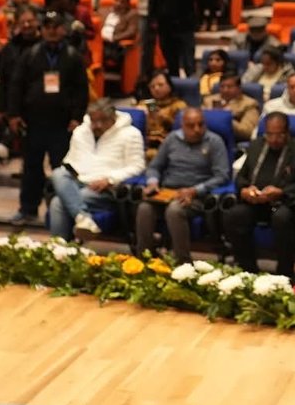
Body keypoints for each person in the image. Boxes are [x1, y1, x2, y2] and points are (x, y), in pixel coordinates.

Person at [5, 11, 90, 226]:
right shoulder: (30, 54)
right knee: (31, 168)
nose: (52, 31)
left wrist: (77, 117)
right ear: (41, 30)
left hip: (62, 124)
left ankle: (60, 212)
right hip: (33, 121)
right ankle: (27, 209)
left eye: (56, 26)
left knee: (62, 170)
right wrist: (14, 114)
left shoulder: (73, 56)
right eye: (47, 27)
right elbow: (16, 86)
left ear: (63, 29)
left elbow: (82, 89)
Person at [135, 107, 230, 263]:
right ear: (182, 126)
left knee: (175, 210)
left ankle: (183, 263)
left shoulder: (214, 141)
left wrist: (195, 190)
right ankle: (144, 260)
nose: (197, 129)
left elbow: (222, 176)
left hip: (196, 196)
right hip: (167, 192)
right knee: (144, 208)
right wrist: (153, 182)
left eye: (201, 124)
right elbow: (154, 167)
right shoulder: (172, 139)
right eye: (191, 126)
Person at [224, 112, 295, 275]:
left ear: (287, 132)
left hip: (283, 202)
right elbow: (241, 177)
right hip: (255, 201)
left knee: (282, 218)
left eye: (279, 135)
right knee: (236, 214)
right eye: (269, 134)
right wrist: (244, 189)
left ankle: (284, 274)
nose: (273, 139)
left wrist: (281, 192)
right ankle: (247, 271)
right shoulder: (255, 146)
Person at [51, 100, 146, 240]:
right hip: (79, 181)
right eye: (94, 121)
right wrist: (71, 172)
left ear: (113, 118)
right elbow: (69, 161)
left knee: (58, 202)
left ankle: (60, 248)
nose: (98, 125)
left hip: (106, 188)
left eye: (103, 121)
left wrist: (110, 179)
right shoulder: (81, 131)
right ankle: (83, 218)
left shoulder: (131, 134)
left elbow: (137, 166)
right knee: (58, 173)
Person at [140, 71, 187, 155]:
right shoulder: (144, 104)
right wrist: (141, 114)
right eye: (152, 86)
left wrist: (161, 117)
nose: (156, 89)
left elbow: (182, 128)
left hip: (168, 147)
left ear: (169, 86)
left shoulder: (179, 105)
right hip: (144, 144)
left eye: (160, 85)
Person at [211, 73, 260, 142]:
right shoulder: (209, 100)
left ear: (239, 88)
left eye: (229, 87)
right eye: (222, 86)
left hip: (233, 140)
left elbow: (248, 132)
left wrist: (225, 117)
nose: (225, 90)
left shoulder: (250, 104)